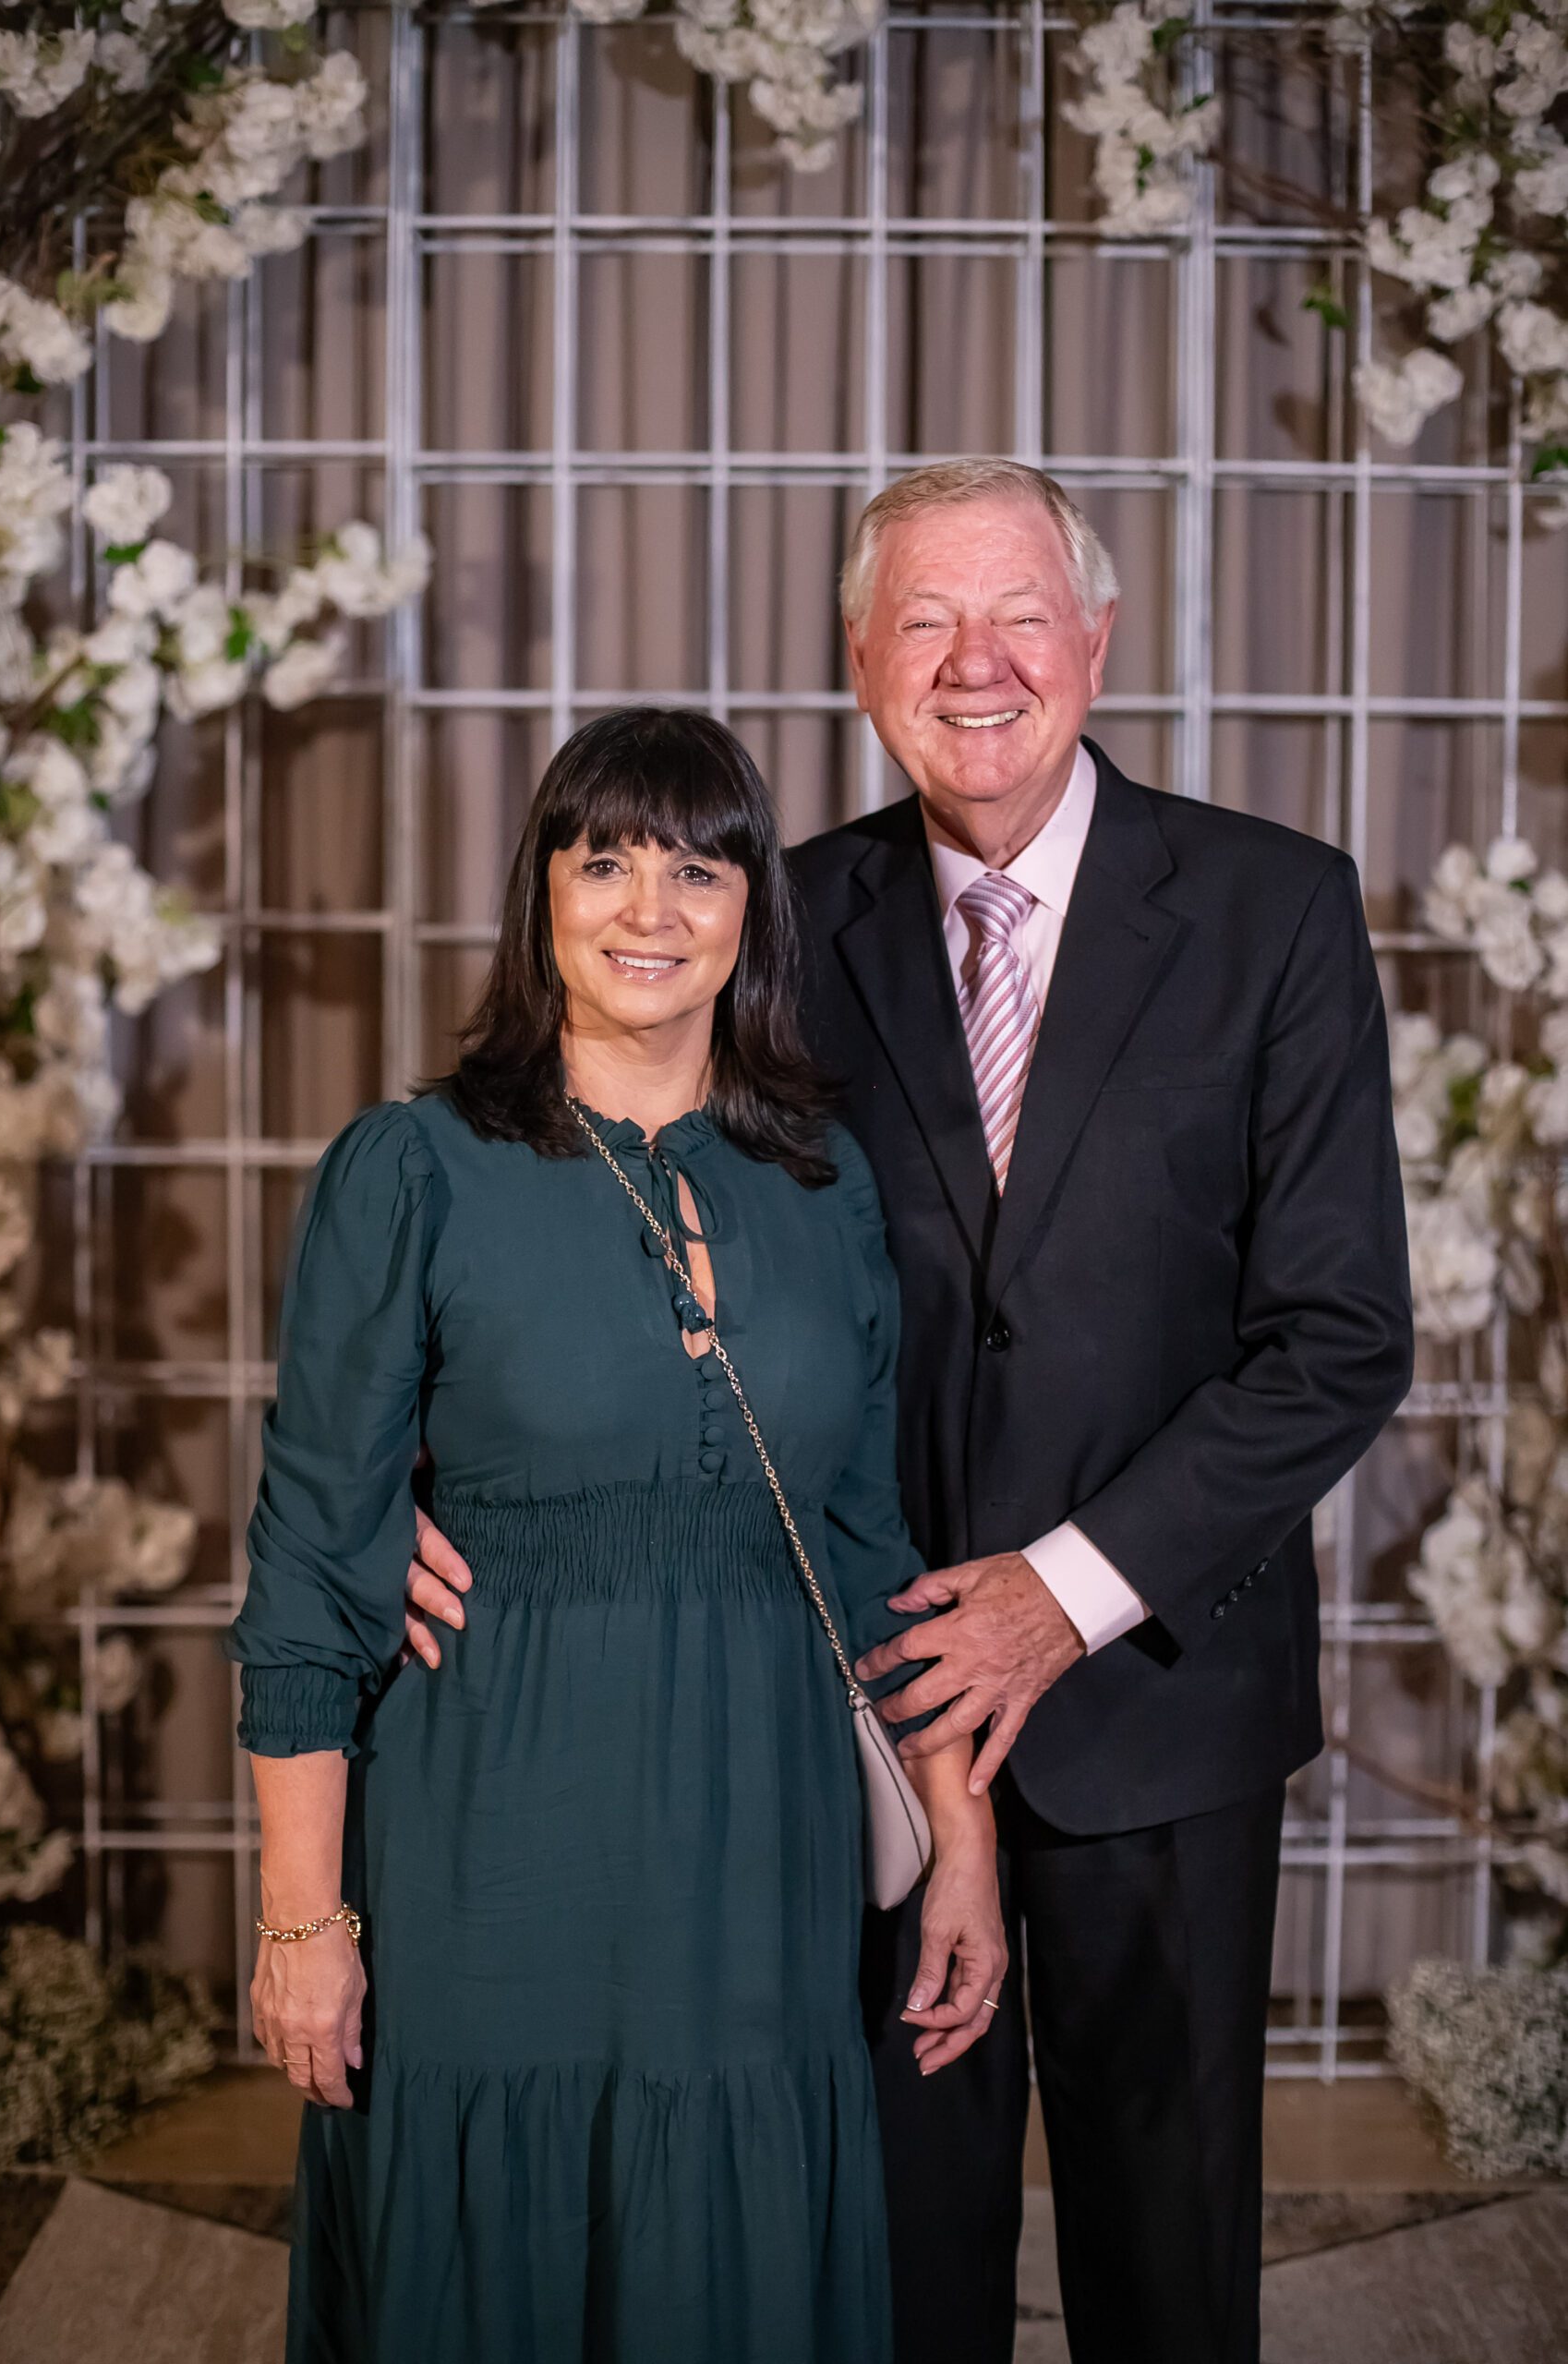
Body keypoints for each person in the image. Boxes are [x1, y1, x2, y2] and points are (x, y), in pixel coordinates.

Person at [405, 462, 1415, 2364]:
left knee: (1169, 2264)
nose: (977, 663)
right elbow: (591, 1188)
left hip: (1159, 1700)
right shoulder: (776, 913)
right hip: (847, 1706)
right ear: (859, 659)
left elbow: (1341, 1334)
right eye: (926, 623)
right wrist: (410, 1467)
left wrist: (1062, 1591)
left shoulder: (1272, 908)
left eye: (1018, 615)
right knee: (882, 2265)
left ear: (1095, 639)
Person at [225, 706, 1007, 2364]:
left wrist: (961, 1840)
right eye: (604, 863)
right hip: (487, 1846)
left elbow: (870, 1543)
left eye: (697, 870)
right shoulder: (412, 1170)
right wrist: (302, 1923)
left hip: (765, 1865)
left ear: (752, 910)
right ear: (544, 896)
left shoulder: (825, 1185)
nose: (649, 909)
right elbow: (309, 1570)